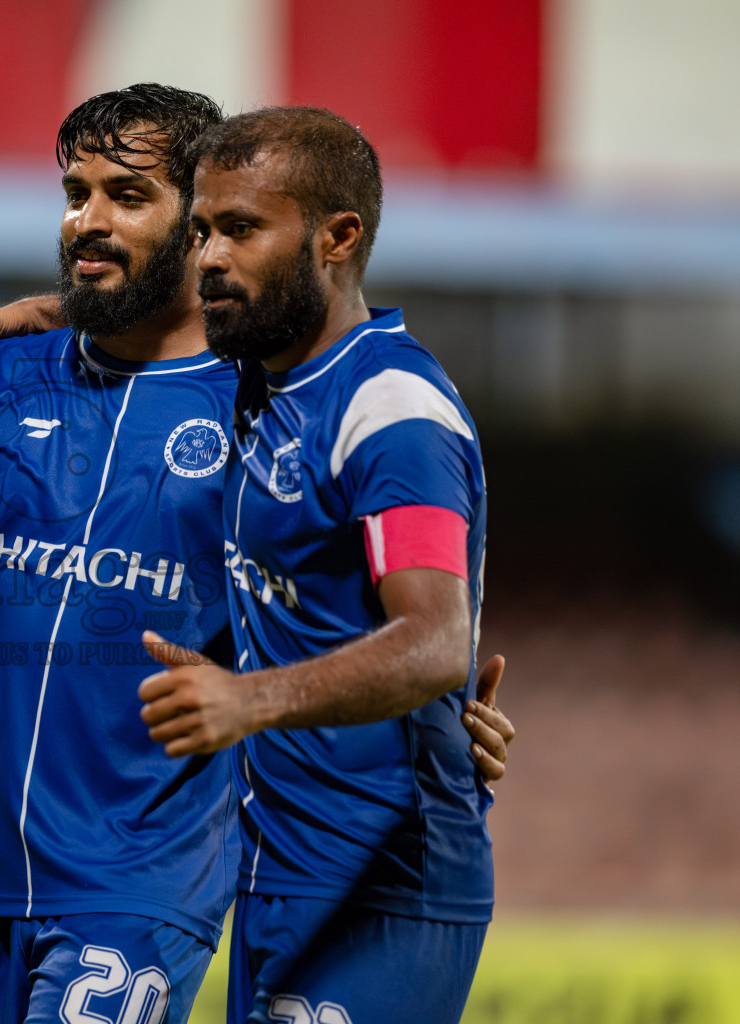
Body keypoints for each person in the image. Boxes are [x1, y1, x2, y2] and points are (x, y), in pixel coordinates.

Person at [0, 85, 512, 1024]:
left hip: (154, 879)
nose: (88, 219)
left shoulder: (272, 403)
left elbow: (391, 607)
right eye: (75, 193)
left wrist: (435, 719)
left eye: (128, 197)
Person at [136, 107, 494, 1023]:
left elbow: (434, 640)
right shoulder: (265, 380)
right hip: (276, 871)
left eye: (242, 228)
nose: (210, 257)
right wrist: (17, 316)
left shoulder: (391, 410)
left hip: (384, 884)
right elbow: (137, 324)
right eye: (203, 230)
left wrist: (247, 700)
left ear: (339, 238)